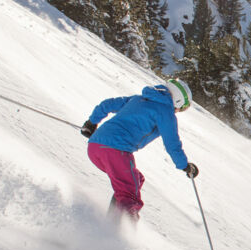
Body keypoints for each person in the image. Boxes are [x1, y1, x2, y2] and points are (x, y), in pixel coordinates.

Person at [80, 79, 199, 222]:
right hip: (116, 151)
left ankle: (112, 220)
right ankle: (117, 235)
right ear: (178, 101)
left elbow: (108, 104)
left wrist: (91, 123)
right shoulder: (166, 113)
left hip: (94, 147)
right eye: (182, 108)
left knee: (134, 180)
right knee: (129, 195)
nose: (179, 111)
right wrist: (185, 165)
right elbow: (172, 143)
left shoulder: (138, 99)